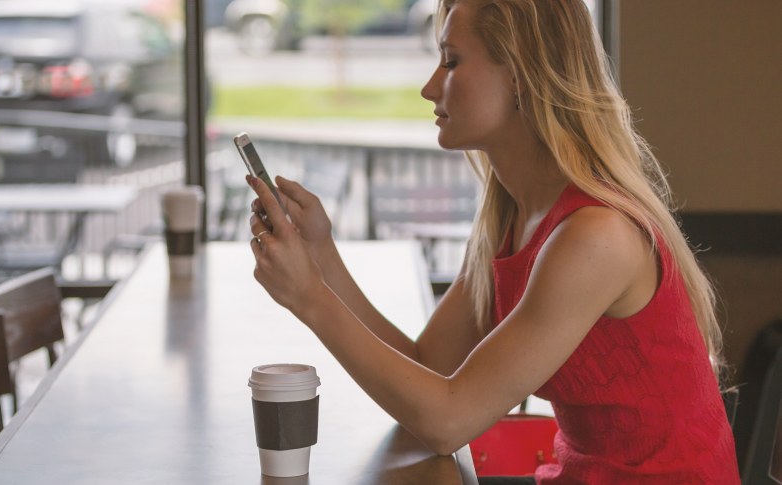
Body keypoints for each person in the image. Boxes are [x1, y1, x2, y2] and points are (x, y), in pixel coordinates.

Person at [244, 0, 740, 483]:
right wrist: (322, 258)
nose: (429, 87)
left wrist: (309, 299)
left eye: (451, 61)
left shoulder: (596, 236)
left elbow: (447, 422)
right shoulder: (511, 218)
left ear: (521, 75)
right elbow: (429, 369)